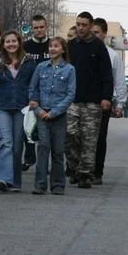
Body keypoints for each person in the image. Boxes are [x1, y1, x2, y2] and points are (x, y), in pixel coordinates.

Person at [0, 30, 37, 193]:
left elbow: (34, 85)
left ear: (19, 42)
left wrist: (33, 101)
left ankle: (15, 182)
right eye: (8, 42)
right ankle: (4, 179)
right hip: (2, 107)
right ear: (3, 44)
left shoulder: (29, 62)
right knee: (5, 142)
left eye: (14, 41)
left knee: (16, 146)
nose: (11, 44)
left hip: (22, 108)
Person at [66, 12, 113, 188]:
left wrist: (106, 97)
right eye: (78, 24)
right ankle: (75, 167)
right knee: (70, 135)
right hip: (72, 100)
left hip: (93, 102)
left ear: (90, 25)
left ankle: (86, 174)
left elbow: (107, 74)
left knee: (89, 139)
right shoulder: (70, 46)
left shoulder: (99, 47)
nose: (80, 28)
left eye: (84, 25)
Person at [28, 37, 77, 195]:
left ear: (63, 49)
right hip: (42, 114)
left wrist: (54, 112)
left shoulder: (69, 70)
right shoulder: (41, 67)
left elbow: (70, 95)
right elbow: (33, 89)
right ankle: (40, 184)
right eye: (50, 46)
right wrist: (38, 108)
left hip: (58, 115)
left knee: (58, 150)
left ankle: (57, 184)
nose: (52, 49)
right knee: (43, 147)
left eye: (56, 46)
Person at [90, 17, 127, 185]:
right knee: (82, 136)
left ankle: (97, 171)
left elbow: (119, 81)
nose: (93, 35)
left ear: (104, 34)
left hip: (104, 100)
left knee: (99, 136)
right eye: (91, 32)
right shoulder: (82, 50)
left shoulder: (112, 56)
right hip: (83, 99)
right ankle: (82, 168)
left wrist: (120, 103)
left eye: (96, 32)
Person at [21, 15, 51, 171]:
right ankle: (29, 157)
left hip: (48, 92)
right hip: (28, 91)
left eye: (41, 27)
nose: (39, 30)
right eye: (36, 27)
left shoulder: (52, 45)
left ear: (46, 26)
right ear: (32, 28)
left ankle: (43, 162)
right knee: (29, 126)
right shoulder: (25, 46)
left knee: (45, 130)